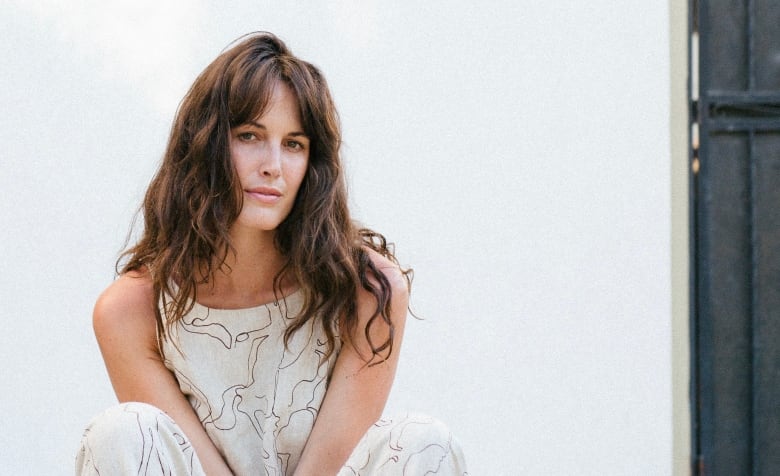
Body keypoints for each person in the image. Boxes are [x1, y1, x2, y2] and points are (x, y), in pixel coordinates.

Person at [75, 32, 467, 476]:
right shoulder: (132, 310)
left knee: (422, 440)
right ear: (204, 145)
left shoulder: (368, 291)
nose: (272, 165)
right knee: (122, 431)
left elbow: (329, 465)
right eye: (249, 136)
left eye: (294, 144)